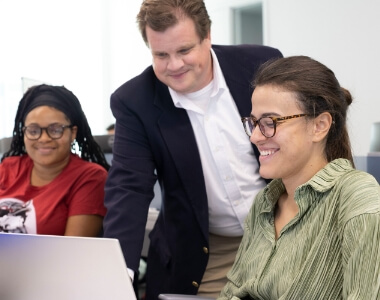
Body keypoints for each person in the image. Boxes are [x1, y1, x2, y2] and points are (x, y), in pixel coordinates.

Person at [102, 0, 282, 298]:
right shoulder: (135, 101)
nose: (174, 65)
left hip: (283, 230)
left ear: (207, 35)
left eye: (184, 50)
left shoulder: (261, 64)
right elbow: (129, 188)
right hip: (209, 249)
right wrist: (118, 277)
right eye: (161, 54)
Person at [218, 56, 380, 299]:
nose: (255, 137)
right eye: (253, 123)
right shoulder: (265, 202)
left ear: (319, 126)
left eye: (270, 122)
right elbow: (232, 291)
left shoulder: (356, 197)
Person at [0, 84, 109, 237]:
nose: (44, 138)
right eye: (33, 130)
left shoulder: (90, 177)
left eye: (55, 129)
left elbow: (71, 251)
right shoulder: (8, 167)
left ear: (73, 133)